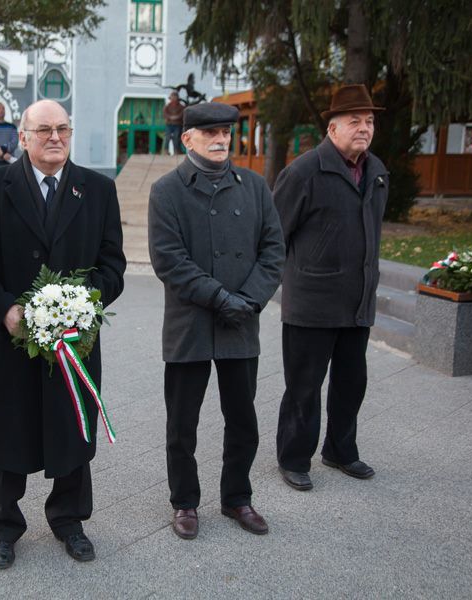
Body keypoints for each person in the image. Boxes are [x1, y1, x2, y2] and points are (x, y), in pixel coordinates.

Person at [0, 99, 125, 570]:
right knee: (6, 433)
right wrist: (5, 312)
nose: (55, 137)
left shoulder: (98, 189)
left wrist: (82, 305)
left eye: (63, 129)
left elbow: (113, 264)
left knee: (72, 429)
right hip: (10, 341)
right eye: (44, 129)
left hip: (74, 342)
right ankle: (3, 526)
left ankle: (69, 520)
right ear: (23, 137)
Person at [147, 102, 285, 540]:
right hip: (189, 324)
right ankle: (184, 502)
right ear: (188, 138)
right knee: (182, 424)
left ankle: (237, 498)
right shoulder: (166, 191)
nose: (221, 139)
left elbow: (273, 251)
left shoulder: (255, 187)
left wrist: (249, 300)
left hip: (240, 322)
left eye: (225, 132)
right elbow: (169, 260)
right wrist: (221, 298)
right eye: (210, 133)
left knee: (243, 420)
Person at [272, 84, 388, 492]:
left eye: (369, 121)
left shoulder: (376, 171)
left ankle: (340, 450)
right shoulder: (303, 172)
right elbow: (274, 235)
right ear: (332, 128)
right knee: (304, 386)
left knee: (352, 383)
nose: (364, 128)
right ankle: (293, 457)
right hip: (312, 302)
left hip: (358, 300)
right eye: (354, 121)